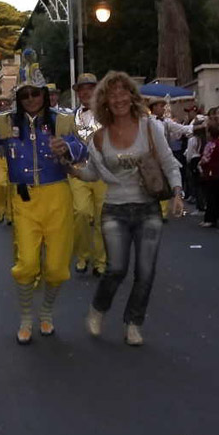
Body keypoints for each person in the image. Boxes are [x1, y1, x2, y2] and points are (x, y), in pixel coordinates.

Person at [0, 50, 87, 344]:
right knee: (28, 264)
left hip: (57, 197)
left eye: (36, 93)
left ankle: (46, 312)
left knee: (56, 267)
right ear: (19, 98)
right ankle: (25, 317)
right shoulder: (6, 122)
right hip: (24, 199)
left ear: (44, 95)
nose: (31, 99)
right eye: (25, 95)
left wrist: (67, 147)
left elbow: (83, 149)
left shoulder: (62, 120)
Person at [68, 71, 184, 346]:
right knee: (116, 269)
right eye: (112, 95)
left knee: (145, 272)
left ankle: (133, 323)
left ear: (132, 97)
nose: (119, 99)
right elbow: (93, 174)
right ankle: (98, 308)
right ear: (105, 102)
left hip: (148, 209)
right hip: (115, 210)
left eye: (123, 93)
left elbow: (169, 163)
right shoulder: (99, 137)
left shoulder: (149, 127)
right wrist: (70, 169)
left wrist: (177, 193)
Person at [70, 73, 107, 276]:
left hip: (102, 171)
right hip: (79, 170)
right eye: (82, 89)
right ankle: (83, 255)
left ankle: (101, 261)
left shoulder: (108, 115)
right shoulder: (70, 117)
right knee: (81, 213)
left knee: (103, 218)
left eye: (90, 88)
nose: (86, 92)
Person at [198, 124, 219, 227]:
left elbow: (206, 158)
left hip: (211, 172)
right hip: (217, 172)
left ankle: (210, 219)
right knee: (214, 196)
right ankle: (214, 217)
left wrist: (201, 164)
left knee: (211, 196)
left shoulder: (212, 144)